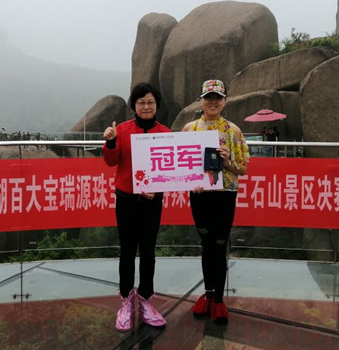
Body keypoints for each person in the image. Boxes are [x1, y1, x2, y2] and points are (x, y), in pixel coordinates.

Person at [102, 82, 170, 332]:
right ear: (134, 105)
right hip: (127, 199)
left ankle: (146, 300)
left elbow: (169, 170)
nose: (146, 106)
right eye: (141, 102)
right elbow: (111, 161)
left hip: (152, 201)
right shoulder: (121, 130)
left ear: (157, 105)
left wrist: (158, 190)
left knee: (149, 251)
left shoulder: (165, 133)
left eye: (150, 102)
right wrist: (111, 142)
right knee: (128, 250)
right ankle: (125, 302)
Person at [182, 79, 250, 324]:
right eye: (208, 97)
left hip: (225, 194)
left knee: (220, 244)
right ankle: (208, 293)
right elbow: (182, 166)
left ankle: (219, 299)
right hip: (200, 195)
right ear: (201, 101)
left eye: (217, 98)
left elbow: (243, 169)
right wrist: (192, 180)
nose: (213, 102)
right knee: (206, 242)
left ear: (224, 101)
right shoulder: (189, 129)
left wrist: (227, 161)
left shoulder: (233, 131)